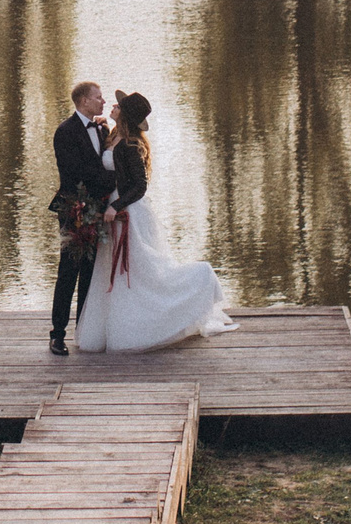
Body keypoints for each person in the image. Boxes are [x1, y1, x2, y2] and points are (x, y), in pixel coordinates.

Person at [75, 90, 237, 353]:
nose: (113, 106)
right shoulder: (112, 136)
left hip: (129, 212)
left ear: (125, 115)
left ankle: (199, 280)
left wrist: (116, 206)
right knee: (113, 273)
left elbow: (140, 186)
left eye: (119, 105)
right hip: (112, 211)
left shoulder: (130, 145)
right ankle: (113, 328)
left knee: (138, 271)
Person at [47, 80, 116, 355]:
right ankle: (58, 334)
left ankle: (83, 331)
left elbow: (104, 158)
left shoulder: (101, 129)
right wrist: (117, 181)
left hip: (97, 208)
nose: (103, 102)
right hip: (74, 209)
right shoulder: (65, 132)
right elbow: (77, 173)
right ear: (84, 101)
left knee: (90, 271)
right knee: (68, 271)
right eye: (98, 98)